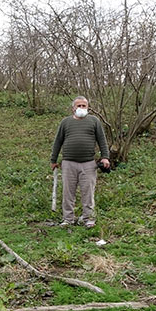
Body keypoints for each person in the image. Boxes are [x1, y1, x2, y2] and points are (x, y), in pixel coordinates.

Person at [50, 96, 110, 227]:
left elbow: (102, 140)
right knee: (68, 192)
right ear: (73, 108)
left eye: (84, 106)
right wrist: (53, 160)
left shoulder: (94, 121)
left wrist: (105, 157)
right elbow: (58, 141)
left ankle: (89, 219)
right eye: (79, 106)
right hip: (68, 163)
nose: (81, 108)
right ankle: (68, 219)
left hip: (88, 163)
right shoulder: (65, 122)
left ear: (88, 107)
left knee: (88, 192)